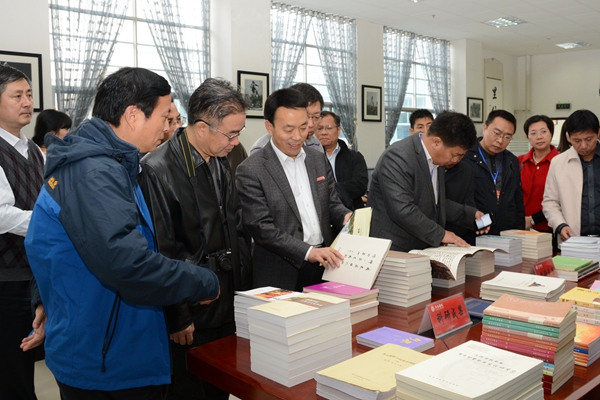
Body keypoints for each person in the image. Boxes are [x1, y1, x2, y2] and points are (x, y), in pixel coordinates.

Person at [24, 67, 220, 400]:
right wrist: (203, 281)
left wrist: (45, 297)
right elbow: (127, 263)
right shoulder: (93, 171)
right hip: (105, 358)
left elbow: (53, 241)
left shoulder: (111, 162)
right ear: (133, 115)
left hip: (110, 340)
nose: (168, 127)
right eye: (165, 116)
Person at [139, 77, 252, 400]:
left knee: (221, 387)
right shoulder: (157, 169)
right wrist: (178, 316)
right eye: (230, 134)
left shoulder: (220, 159)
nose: (236, 142)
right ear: (202, 127)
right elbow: (162, 251)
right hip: (192, 309)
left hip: (226, 300)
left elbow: (236, 229)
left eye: (239, 132)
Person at [236, 88, 351, 291]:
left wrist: (345, 216)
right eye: (289, 130)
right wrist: (308, 252)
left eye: (303, 127)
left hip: (325, 265)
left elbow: (331, 202)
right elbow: (262, 228)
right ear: (269, 127)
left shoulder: (317, 158)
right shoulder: (251, 169)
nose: (297, 137)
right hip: (279, 272)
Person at [368, 111, 478, 252]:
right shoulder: (398, 157)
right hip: (394, 248)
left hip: (421, 247)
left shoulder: (436, 158)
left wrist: (471, 215)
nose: (456, 160)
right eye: (455, 154)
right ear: (436, 142)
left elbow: (434, 202)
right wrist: (441, 234)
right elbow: (403, 210)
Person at [0, 64, 44, 400]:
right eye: (17, 96)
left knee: (24, 364)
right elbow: (2, 215)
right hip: (6, 280)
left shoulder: (33, 151)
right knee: (12, 371)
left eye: (28, 94)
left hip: (33, 273)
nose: (27, 102)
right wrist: (52, 224)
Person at [462, 109, 525, 235]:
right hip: (475, 231)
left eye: (507, 137)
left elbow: (517, 200)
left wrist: (520, 232)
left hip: (507, 232)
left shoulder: (511, 160)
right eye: (496, 133)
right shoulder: (465, 157)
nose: (500, 141)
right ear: (485, 128)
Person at [543, 109, 600, 241]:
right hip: (573, 240)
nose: (583, 145)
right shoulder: (558, 163)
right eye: (577, 140)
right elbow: (550, 202)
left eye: (589, 139)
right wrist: (560, 225)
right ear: (568, 136)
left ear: (598, 133)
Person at [249, 82, 323, 155]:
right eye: (306, 116)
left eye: (316, 117)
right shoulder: (260, 149)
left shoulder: (315, 144)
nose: (310, 124)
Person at [316, 110, 368, 210]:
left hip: (350, 210)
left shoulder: (354, 157)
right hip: (321, 212)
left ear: (338, 130)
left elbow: (360, 185)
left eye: (329, 128)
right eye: (319, 128)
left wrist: (329, 190)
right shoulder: (309, 158)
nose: (323, 132)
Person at [518, 115, 558, 233]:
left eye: (543, 132)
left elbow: (562, 200)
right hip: (520, 227)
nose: (539, 137)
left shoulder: (560, 162)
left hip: (550, 228)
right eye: (533, 133)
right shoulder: (519, 162)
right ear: (528, 137)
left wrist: (533, 219)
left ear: (551, 134)